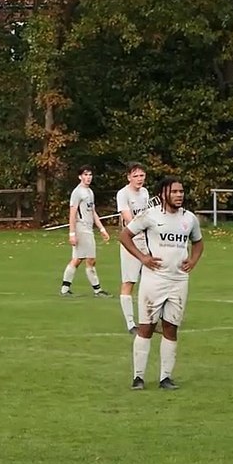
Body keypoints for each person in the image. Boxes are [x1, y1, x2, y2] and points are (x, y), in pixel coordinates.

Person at [119, 176, 204, 391]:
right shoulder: (150, 216)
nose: (179, 195)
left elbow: (198, 242)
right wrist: (143, 258)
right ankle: (138, 377)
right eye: (174, 191)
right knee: (146, 327)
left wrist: (193, 260)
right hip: (154, 279)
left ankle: (165, 377)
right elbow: (125, 235)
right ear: (163, 194)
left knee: (171, 328)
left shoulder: (190, 218)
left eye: (181, 191)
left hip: (179, 280)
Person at [115, 162, 159, 333]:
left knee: (152, 281)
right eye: (136, 176)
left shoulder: (145, 193)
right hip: (130, 242)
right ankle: (130, 324)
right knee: (129, 281)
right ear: (129, 177)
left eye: (142, 175)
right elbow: (128, 219)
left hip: (146, 241)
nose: (139, 179)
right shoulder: (123, 194)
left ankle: (148, 320)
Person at [60, 166, 112, 297]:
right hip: (81, 228)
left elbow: (93, 212)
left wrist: (102, 229)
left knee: (78, 259)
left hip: (88, 228)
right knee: (90, 259)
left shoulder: (89, 192)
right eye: (85, 174)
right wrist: (72, 233)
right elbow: (72, 213)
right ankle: (97, 290)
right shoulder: (77, 192)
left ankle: (65, 289)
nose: (88, 177)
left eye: (90, 174)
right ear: (80, 177)